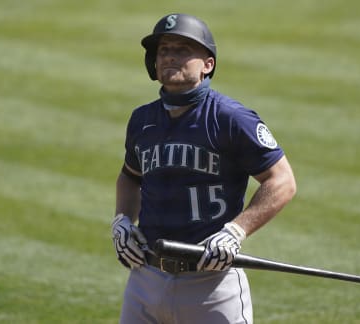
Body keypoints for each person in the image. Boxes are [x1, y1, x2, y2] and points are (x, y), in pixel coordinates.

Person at [111, 13, 296, 324]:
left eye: (183, 50)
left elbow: (282, 181)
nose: (170, 56)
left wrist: (236, 231)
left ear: (208, 64)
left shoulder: (231, 118)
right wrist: (122, 220)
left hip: (212, 285)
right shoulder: (142, 120)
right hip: (145, 279)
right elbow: (130, 176)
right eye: (164, 49)